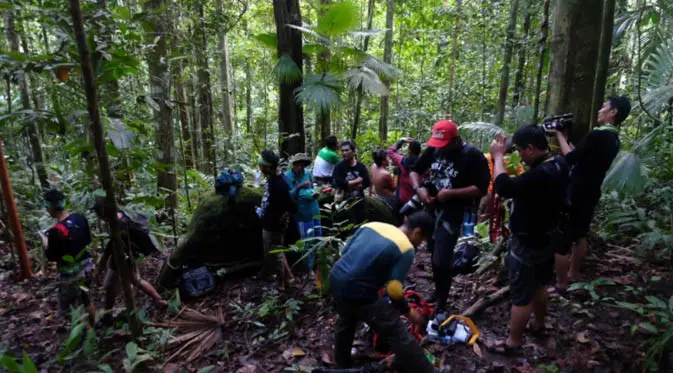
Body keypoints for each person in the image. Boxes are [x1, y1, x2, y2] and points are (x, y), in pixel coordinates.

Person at [329, 211, 447, 373]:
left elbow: (345, 253)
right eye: (421, 241)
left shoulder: (372, 225)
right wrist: (410, 312)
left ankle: (342, 362)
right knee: (397, 332)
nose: (419, 245)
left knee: (346, 321)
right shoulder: (405, 247)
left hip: (336, 279)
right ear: (417, 232)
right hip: (359, 291)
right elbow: (394, 290)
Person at [488, 126, 569, 355]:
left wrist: (497, 157)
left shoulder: (538, 175)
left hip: (528, 242)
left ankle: (512, 343)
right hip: (547, 237)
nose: (520, 155)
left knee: (522, 295)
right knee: (541, 285)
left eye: (521, 151)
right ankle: (539, 324)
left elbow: (503, 187)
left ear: (532, 149)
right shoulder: (558, 164)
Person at [551, 96, 631, 294]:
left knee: (563, 238)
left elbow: (570, 158)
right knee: (580, 232)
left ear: (613, 112)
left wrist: (558, 135)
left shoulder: (598, 135)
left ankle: (561, 284)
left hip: (577, 190)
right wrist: (567, 139)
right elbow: (580, 156)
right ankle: (574, 273)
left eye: (604, 106)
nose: (599, 110)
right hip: (592, 189)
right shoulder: (613, 138)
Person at [409, 120, 490, 313]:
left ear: (455, 140)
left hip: (451, 214)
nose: (441, 149)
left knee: (441, 260)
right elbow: (414, 170)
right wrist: (418, 189)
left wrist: (451, 194)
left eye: (445, 144)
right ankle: (438, 293)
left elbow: (481, 189)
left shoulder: (472, 156)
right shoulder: (435, 150)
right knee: (434, 255)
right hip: (431, 210)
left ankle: (442, 302)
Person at [93, 192, 167, 326]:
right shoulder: (121, 216)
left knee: (134, 281)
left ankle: (156, 301)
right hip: (120, 256)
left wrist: (102, 265)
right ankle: (108, 316)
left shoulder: (120, 225)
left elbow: (113, 246)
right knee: (110, 285)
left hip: (125, 257)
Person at [42, 189, 96, 324]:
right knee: (86, 299)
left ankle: (86, 337)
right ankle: (94, 330)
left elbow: (51, 256)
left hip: (71, 276)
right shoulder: (80, 218)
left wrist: (45, 240)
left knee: (70, 309)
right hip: (88, 267)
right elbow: (87, 240)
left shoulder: (55, 232)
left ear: (50, 207)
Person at [258, 150, 298, 287]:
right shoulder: (272, 178)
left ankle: (284, 283)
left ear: (268, 167)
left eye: (262, 165)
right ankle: (285, 278)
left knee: (276, 254)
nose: (260, 167)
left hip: (274, 226)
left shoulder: (280, 184)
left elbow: (293, 207)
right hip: (268, 222)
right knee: (274, 252)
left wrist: (282, 218)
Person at [284, 153, 321, 267]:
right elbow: (288, 195)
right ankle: (309, 269)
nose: (300, 167)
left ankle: (318, 265)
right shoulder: (287, 176)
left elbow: (311, 188)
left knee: (318, 239)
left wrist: (313, 192)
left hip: (314, 210)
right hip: (302, 214)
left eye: (303, 165)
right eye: (298, 165)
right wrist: (299, 187)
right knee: (307, 242)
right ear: (294, 164)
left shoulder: (308, 173)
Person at [332, 140, 370, 225]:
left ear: (353, 151)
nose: (344, 153)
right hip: (343, 202)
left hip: (359, 202)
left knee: (360, 224)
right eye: (342, 151)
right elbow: (338, 183)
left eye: (346, 150)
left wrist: (360, 185)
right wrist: (357, 181)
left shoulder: (361, 167)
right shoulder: (339, 167)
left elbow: (367, 181)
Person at [387, 137, 422, 207]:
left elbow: (390, 151)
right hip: (416, 200)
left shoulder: (402, 161)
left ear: (409, 151)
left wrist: (402, 141)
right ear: (420, 152)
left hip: (401, 198)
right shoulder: (424, 165)